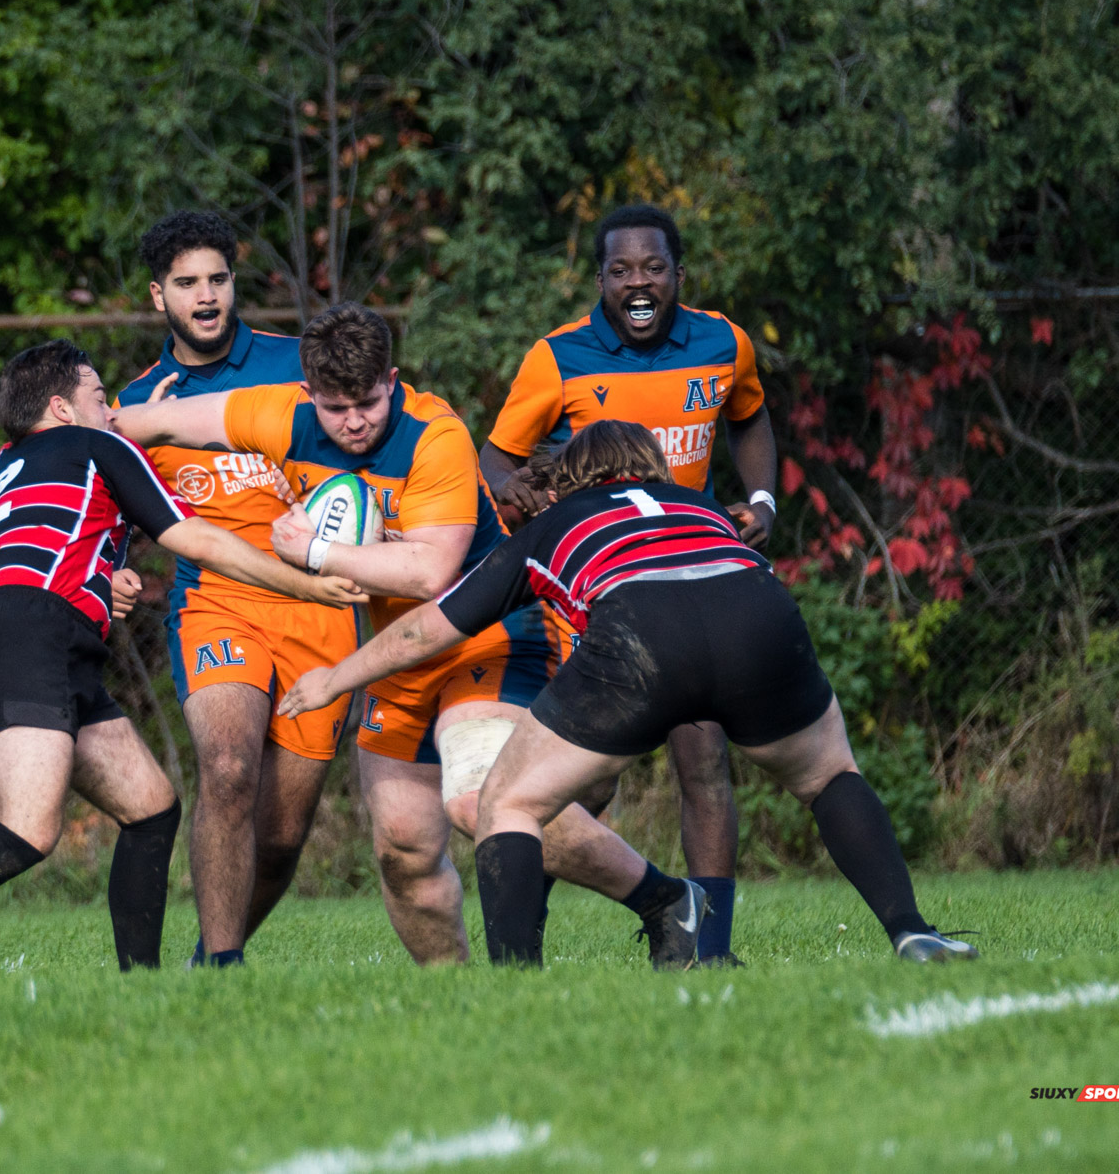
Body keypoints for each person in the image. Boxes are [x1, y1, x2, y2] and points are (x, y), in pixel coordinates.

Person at [116, 304, 705, 967]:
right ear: (308, 394)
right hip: (398, 653)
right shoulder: (283, 414)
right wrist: (100, 426)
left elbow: (430, 573)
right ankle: (453, 999)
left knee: (476, 796)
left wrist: (315, 553)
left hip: (487, 635)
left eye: (368, 401)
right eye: (336, 408)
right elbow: (160, 420)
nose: (355, 421)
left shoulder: (434, 435)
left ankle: (667, 900)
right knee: (402, 843)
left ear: (391, 380)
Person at [285, 420, 977, 968]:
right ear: (651, 467)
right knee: (830, 774)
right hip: (758, 615)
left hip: (642, 635)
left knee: (508, 803)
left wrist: (333, 679)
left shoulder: (550, 524)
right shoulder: (698, 504)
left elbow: (426, 631)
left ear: (567, 481)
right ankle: (912, 932)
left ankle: (513, 996)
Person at [0, 341, 365, 971]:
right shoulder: (100, 448)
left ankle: (139, 987)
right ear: (63, 409)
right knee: (29, 831)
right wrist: (309, 580)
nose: (115, 412)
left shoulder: (15, 462)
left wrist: (103, 585)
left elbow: (61, 545)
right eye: (100, 399)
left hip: (30, 638)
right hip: (28, 640)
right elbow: (193, 537)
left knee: (150, 810)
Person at [477, 204, 776, 965]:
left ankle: (707, 947)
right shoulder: (559, 359)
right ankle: (521, 947)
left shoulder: (723, 341)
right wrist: (533, 502)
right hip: (598, 593)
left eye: (652, 267)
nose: (636, 281)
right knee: (583, 781)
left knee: (703, 760)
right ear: (601, 279)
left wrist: (762, 500)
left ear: (680, 274)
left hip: (690, 579)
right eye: (620, 269)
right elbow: (495, 460)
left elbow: (750, 416)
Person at [114, 212, 360, 967]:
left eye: (217, 278)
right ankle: (223, 971)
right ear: (160, 297)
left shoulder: (299, 365)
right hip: (216, 604)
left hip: (322, 606)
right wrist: (114, 570)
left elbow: (371, 443)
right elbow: (112, 512)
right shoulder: (141, 403)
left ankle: (207, 953)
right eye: (187, 283)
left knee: (281, 836)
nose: (207, 295)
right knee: (225, 768)